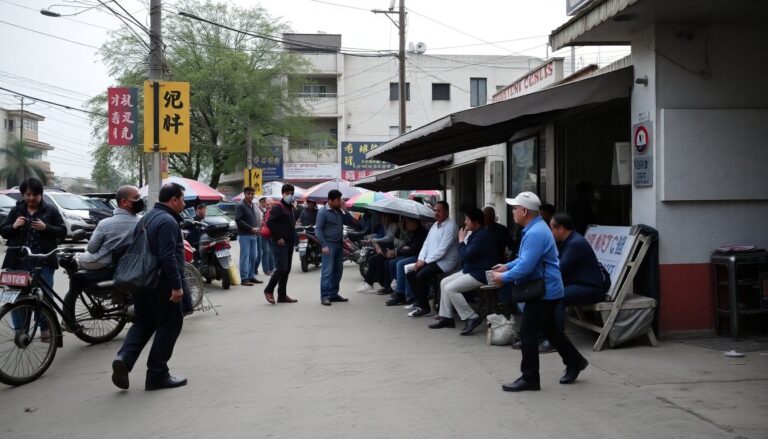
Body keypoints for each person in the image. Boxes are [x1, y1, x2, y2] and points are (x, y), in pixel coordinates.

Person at [491, 191, 588, 392]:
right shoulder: (535, 228)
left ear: (524, 210)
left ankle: (530, 378)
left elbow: (526, 266)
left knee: (527, 331)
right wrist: (507, 267)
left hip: (543, 291)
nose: (513, 212)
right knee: (550, 329)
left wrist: (504, 278)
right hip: (547, 289)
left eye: (515, 208)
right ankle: (575, 361)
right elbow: (525, 259)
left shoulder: (535, 232)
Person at [111, 183, 189, 391]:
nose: (183, 203)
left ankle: (124, 358)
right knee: (170, 325)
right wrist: (176, 286)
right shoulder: (168, 221)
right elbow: (167, 256)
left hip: (141, 281)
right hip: (161, 284)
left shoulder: (146, 218)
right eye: (182, 199)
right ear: (173, 200)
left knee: (143, 323)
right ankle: (157, 374)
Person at [0, 178, 66, 341]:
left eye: (34, 195)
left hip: (43, 262)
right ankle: (20, 331)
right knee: (16, 298)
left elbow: (62, 231)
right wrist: (14, 226)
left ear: (40, 194)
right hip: (18, 262)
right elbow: (4, 231)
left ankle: (45, 329)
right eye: (28, 194)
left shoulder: (50, 211)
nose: (31, 198)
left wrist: (46, 228)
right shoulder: (16, 211)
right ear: (23, 195)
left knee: (42, 297)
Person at [61, 185, 143, 306]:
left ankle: (67, 321)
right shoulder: (142, 221)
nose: (140, 201)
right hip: (130, 265)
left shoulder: (105, 224)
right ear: (124, 202)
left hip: (103, 265)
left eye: (138, 197)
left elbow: (91, 249)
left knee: (71, 262)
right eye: (136, 198)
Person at [430, 207, 496, 335]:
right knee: (444, 282)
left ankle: (471, 317)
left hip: (480, 274)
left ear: (475, 222)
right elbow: (466, 253)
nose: (465, 222)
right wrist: (464, 240)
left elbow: (466, 255)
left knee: (450, 288)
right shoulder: (476, 234)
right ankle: (446, 317)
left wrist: (461, 240)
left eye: (467, 219)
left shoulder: (482, 236)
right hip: (470, 270)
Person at [550, 212, 607, 332]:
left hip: (590, 289)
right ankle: (542, 333)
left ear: (561, 229)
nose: (551, 232)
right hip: (578, 284)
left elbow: (559, 268)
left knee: (556, 296)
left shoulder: (575, 243)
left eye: (552, 229)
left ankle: (555, 339)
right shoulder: (567, 241)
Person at [405, 201, 460, 318]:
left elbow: (442, 250)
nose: (436, 213)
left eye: (439, 211)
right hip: (432, 260)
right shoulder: (435, 225)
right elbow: (426, 243)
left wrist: (424, 262)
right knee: (410, 273)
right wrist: (420, 259)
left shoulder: (451, 227)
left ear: (446, 212)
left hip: (445, 262)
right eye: (434, 210)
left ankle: (424, 309)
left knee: (420, 275)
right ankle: (419, 301)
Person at [315, 189, 356, 306]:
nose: (340, 202)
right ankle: (325, 297)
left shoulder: (338, 211)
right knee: (327, 272)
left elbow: (350, 222)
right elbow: (318, 230)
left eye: (340, 200)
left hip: (339, 244)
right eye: (338, 200)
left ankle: (334, 294)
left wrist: (345, 210)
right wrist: (323, 245)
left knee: (338, 271)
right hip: (329, 245)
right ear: (330, 200)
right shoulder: (322, 212)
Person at [263, 184, 298, 305]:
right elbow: (270, 223)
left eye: (292, 193)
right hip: (280, 242)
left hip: (289, 242)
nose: (290, 195)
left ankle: (282, 295)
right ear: (283, 194)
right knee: (282, 268)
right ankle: (268, 290)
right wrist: (278, 237)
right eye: (288, 193)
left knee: (286, 269)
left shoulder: (289, 207)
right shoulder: (279, 207)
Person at [384, 217, 428, 306]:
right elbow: (408, 246)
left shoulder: (421, 232)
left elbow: (413, 250)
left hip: (421, 257)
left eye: (407, 223)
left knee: (401, 263)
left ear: (414, 222)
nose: (406, 225)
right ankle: (398, 290)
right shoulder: (414, 232)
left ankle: (402, 294)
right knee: (393, 262)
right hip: (413, 254)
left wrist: (397, 252)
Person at [357, 213, 399, 293]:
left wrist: (375, 240)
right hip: (385, 248)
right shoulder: (385, 226)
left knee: (382, 261)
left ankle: (385, 285)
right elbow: (381, 236)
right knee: (373, 258)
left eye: (385, 218)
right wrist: (373, 239)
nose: (383, 220)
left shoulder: (393, 225)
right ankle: (370, 283)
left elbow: (389, 238)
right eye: (382, 218)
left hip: (391, 249)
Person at [235, 187, 263, 286]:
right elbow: (238, 220)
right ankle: (244, 278)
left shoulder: (253, 205)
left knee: (253, 257)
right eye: (248, 194)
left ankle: (251, 276)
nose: (250, 196)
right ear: (244, 194)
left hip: (254, 235)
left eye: (252, 194)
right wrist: (250, 228)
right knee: (245, 257)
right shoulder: (240, 206)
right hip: (244, 235)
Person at [258, 197, 275, 276]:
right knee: (266, 252)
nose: (268, 205)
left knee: (270, 252)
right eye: (267, 203)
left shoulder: (270, 211)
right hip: (264, 234)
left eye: (270, 204)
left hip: (270, 234)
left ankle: (272, 268)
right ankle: (266, 270)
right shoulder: (262, 211)